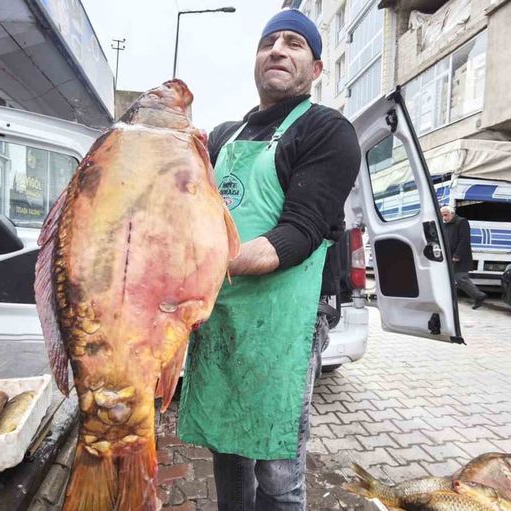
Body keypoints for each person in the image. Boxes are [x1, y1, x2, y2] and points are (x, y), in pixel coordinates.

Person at [177, 8, 361, 511]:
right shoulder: (223, 137)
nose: (278, 50)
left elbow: (295, 235)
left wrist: (201, 267)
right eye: (268, 43)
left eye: (294, 44)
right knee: (227, 444)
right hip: (224, 312)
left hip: (288, 317)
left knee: (277, 467)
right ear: (256, 60)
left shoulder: (326, 130)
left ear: (316, 69)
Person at [441, 206, 487, 309]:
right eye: (442, 216)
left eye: (445, 215)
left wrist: (457, 255)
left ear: (452, 213)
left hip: (460, 257)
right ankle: (448, 300)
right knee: (449, 278)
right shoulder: (446, 224)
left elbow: (464, 240)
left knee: (461, 278)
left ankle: (479, 296)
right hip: (449, 256)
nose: (444, 218)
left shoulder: (462, 222)